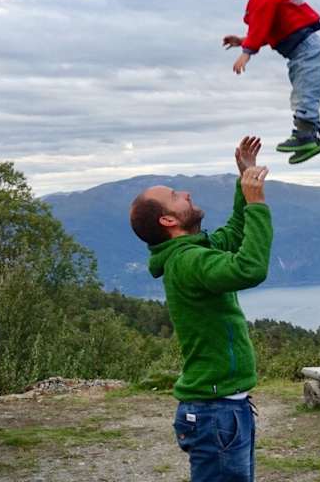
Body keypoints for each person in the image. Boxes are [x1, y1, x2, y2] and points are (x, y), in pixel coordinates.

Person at [128, 136, 273, 481]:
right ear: (167, 221)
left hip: (224, 408)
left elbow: (234, 234)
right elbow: (249, 268)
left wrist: (244, 180)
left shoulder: (194, 252)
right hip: (215, 411)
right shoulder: (190, 261)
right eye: (176, 197)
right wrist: (257, 204)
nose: (187, 194)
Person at [223, 0, 320, 165]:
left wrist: (247, 52)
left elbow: (260, 24)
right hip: (303, 52)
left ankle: (305, 137)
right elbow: (266, 30)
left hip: (308, 52)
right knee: (302, 94)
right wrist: (243, 40)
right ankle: (308, 139)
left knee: (304, 95)